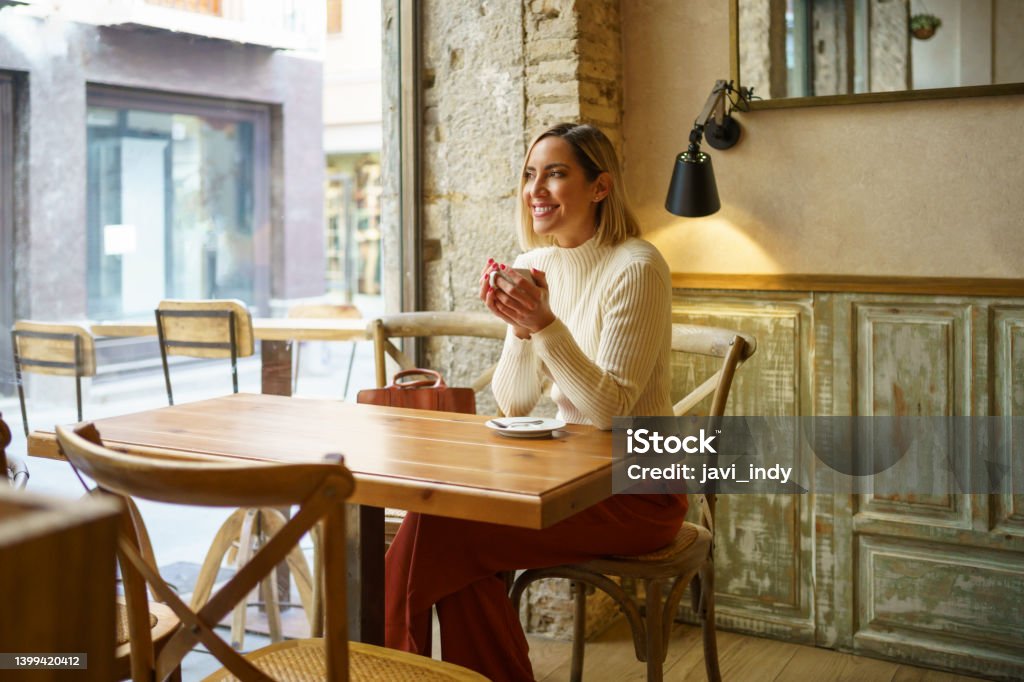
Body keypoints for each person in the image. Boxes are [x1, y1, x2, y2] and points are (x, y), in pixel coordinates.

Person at [385, 123, 687, 681]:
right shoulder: (534, 262)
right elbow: (515, 402)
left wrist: (543, 323)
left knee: (442, 531)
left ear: (600, 187)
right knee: (450, 542)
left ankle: (388, 671)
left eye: (555, 173)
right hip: (567, 475)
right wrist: (520, 330)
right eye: (530, 174)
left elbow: (610, 411)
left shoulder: (637, 267)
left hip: (641, 487)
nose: (536, 189)